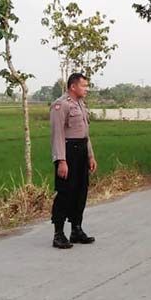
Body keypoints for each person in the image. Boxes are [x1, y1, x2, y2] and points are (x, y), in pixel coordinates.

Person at [50, 73, 98, 249]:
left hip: (81, 151)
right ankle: (58, 234)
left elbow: (85, 133)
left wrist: (90, 155)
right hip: (68, 152)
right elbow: (58, 135)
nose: (86, 89)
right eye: (84, 86)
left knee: (80, 192)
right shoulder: (61, 105)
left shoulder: (80, 105)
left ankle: (76, 229)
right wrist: (61, 160)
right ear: (73, 87)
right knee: (65, 193)